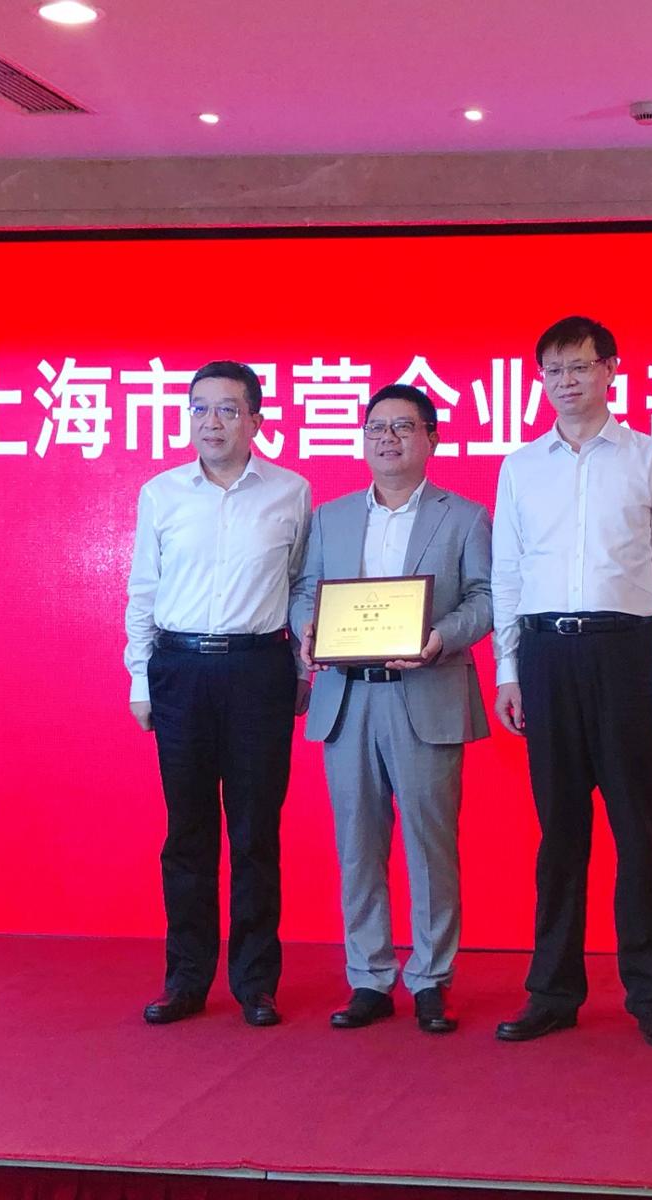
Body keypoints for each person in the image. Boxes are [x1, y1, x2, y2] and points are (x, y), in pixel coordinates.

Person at [490, 316, 652, 1049]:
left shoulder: (648, 457)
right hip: (547, 656)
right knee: (559, 834)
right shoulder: (521, 466)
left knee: (638, 831)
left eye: (579, 367)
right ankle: (552, 992)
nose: (566, 382)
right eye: (553, 370)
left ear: (610, 369)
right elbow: (507, 573)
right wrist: (508, 668)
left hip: (626, 653)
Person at [290, 383, 493, 1034]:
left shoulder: (465, 517)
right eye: (376, 427)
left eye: (403, 427)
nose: (387, 438)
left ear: (431, 438)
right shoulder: (330, 517)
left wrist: (443, 637)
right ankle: (369, 977)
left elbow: (489, 597)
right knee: (357, 844)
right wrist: (307, 629)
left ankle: (431, 978)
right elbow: (304, 592)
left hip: (426, 692)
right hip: (348, 698)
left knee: (430, 846)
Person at [124, 360, 311, 1028]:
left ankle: (256, 982)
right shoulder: (161, 494)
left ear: (255, 420)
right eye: (200, 408)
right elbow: (144, 590)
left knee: (256, 831)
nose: (212, 422)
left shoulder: (292, 492)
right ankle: (186, 978)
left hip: (259, 670)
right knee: (188, 832)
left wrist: (304, 667)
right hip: (180, 670)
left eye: (228, 409)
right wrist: (140, 677)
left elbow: (301, 586)